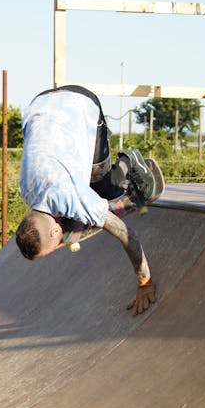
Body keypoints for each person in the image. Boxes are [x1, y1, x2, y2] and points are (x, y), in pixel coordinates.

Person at [15, 85, 157, 316]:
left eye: (56, 246)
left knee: (104, 188)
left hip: (81, 103)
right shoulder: (26, 190)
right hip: (40, 104)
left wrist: (145, 282)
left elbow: (126, 235)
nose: (60, 246)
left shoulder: (74, 200)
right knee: (86, 186)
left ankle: (131, 161)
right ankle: (81, 216)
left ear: (54, 233)